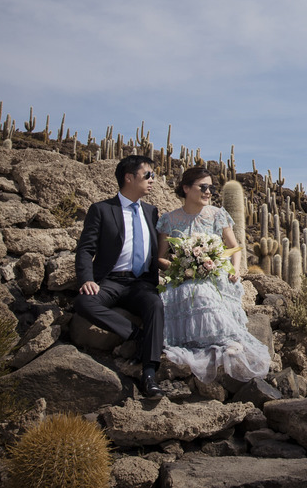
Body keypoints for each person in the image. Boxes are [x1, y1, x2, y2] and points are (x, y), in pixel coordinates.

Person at [156, 166, 270, 383]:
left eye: (212, 188)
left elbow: (234, 247)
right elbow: (161, 258)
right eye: (204, 187)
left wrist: (235, 271)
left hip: (217, 276)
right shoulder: (169, 220)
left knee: (202, 291)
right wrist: (181, 270)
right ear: (186, 188)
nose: (209, 192)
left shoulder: (218, 215)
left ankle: (225, 340)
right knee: (189, 290)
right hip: (184, 277)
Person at [73, 154, 165, 397]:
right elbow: (86, 249)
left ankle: (149, 374)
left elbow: (161, 250)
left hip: (141, 283)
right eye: (148, 175)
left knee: (155, 304)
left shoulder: (152, 212)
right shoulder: (102, 210)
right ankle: (137, 335)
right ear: (128, 177)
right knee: (84, 301)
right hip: (111, 281)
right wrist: (87, 279)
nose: (152, 180)